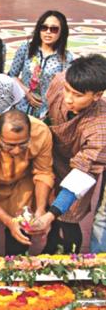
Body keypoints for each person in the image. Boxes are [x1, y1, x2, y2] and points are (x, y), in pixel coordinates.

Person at [30, 55, 106, 254]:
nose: (68, 99)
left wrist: (50, 216)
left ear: (97, 95)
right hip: (53, 156)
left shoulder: (100, 128)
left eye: (78, 95)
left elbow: (81, 176)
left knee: (68, 216)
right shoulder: (60, 81)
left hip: (81, 167)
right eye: (68, 90)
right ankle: (49, 249)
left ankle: (71, 257)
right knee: (44, 200)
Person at [10, 10, 73, 119]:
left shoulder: (66, 57)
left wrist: (50, 112)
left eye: (54, 29)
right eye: (44, 27)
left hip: (46, 114)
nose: (48, 32)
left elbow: (66, 88)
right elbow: (12, 75)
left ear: (61, 32)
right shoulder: (26, 48)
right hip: (20, 109)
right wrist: (27, 92)